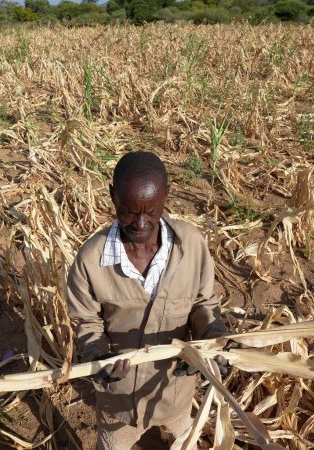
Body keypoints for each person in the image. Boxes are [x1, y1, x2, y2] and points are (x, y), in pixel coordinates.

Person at [66, 151, 228, 449]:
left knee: (184, 440)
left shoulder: (191, 245)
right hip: (119, 405)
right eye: (128, 211)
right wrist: (100, 358)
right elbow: (87, 322)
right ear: (113, 196)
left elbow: (203, 305)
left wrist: (213, 344)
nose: (141, 223)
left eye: (151, 211)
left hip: (176, 393)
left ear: (166, 196)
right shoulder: (90, 261)